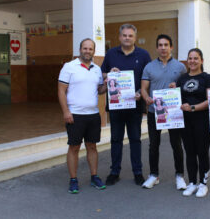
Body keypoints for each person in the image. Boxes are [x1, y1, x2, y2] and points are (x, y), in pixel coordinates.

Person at [101, 24, 151, 186]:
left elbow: (148, 79)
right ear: (119, 37)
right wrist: (110, 74)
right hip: (116, 105)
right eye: (124, 35)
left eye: (130, 35)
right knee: (116, 139)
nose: (127, 38)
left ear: (135, 38)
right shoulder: (111, 54)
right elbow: (102, 73)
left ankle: (138, 172)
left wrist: (140, 93)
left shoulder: (143, 55)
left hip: (135, 105)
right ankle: (114, 171)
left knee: (135, 139)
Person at [58, 38, 107, 194]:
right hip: (75, 115)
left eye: (90, 49)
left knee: (92, 146)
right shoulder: (69, 67)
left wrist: (108, 83)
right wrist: (66, 111)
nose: (87, 51)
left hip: (93, 115)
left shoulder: (96, 69)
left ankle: (94, 176)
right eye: (85, 48)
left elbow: (99, 90)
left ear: (94, 51)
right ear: (80, 50)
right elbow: (61, 90)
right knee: (74, 147)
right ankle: (73, 179)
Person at [141, 34, 187, 189]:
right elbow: (143, 88)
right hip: (155, 111)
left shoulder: (180, 67)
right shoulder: (149, 67)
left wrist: (178, 87)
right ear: (156, 48)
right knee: (153, 145)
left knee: (176, 144)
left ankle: (180, 176)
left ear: (171, 47)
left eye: (166, 45)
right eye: (160, 45)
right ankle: (154, 175)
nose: (163, 48)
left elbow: (186, 88)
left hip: (174, 112)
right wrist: (146, 97)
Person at [177, 48, 210, 198]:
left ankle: (203, 184)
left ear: (201, 60)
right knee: (190, 151)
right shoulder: (182, 79)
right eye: (190, 58)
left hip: (203, 120)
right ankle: (192, 182)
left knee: (202, 151)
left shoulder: (207, 78)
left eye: (196, 58)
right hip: (185, 121)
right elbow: (177, 98)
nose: (192, 61)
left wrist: (193, 108)